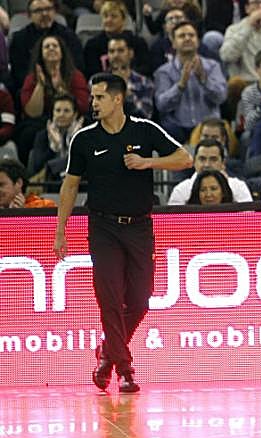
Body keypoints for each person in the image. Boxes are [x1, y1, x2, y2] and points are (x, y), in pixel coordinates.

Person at [53, 73, 193, 393]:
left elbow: (185, 159)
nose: (94, 103)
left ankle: (107, 354)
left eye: (100, 97)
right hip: (103, 227)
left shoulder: (144, 130)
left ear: (117, 99)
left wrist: (147, 163)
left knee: (140, 299)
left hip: (140, 226)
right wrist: (60, 231)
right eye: (93, 97)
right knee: (110, 299)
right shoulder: (84, 139)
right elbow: (70, 186)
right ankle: (125, 370)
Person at [17, 35, 89, 165]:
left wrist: (60, 89)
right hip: (43, 120)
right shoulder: (32, 78)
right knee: (26, 133)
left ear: (62, 52)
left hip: (72, 118)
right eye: (47, 46)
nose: (51, 48)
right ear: (41, 53)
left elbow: (83, 106)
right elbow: (32, 113)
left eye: (55, 46)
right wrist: (40, 86)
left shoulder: (75, 75)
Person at [154, 21, 227, 144]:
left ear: (198, 41)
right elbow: (161, 106)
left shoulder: (212, 66)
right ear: (173, 43)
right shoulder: (164, 71)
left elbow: (221, 97)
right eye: (182, 36)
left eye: (191, 35)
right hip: (177, 128)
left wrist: (204, 80)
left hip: (208, 126)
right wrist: (180, 85)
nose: (187, 38)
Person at [9, 0, 85, 89]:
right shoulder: (19, 39)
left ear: (55, 12)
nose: (44, 14)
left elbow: (78, 66)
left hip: (67, 85)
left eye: (48, 9)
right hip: (31, 87)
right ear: (29, 15)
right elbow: (18, 73)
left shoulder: (69, 36)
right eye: (38, 10)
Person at [168, 138, 252, 204]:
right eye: (202, 159)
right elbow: (172, 220)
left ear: (223, 163)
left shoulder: (238, 187)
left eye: (213, 159)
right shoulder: (181, 190)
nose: (207, 164)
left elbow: (248, 218)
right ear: (194, 162)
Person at [83, 0, 150, 79]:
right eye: (105, 16)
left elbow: (145, 69)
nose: (108, 20)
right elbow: (92, 74)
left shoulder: (138, 43)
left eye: (114, 16)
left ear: (123, 20)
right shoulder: (92, 45)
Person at [29, 93, 84, 184]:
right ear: (53, 113)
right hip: (50, 183)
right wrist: (54, 148)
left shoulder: (84, 135)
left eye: (66, 111)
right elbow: (38, 167)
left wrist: (75, 141)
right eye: (58, 110)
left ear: (75, 114)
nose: (61, 114)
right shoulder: (42, 136)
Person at [107, 35, 155, 119]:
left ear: (130, 53)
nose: (115, 55)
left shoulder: (144, 82)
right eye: (111, 51)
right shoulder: (97, 82)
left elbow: (146, 115)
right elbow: (93, 114)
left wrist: (126, 91)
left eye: (120, 51)